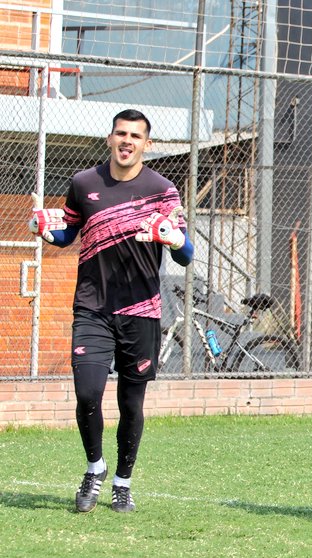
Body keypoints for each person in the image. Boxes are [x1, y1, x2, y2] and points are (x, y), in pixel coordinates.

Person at [28, 108, 195, 513]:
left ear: (146, 144)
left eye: (135, 136)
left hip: (141, 312)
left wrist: (173, 238)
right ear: (110, 138)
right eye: (121, 134)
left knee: (131, 404)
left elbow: (187, 254)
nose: (127, 142)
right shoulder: (84, 183)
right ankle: (94, 468)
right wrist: (46, 231)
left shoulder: (163, 190)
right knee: (87, 393)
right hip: (92, 308)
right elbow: (68, 232)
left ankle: (123, 480)